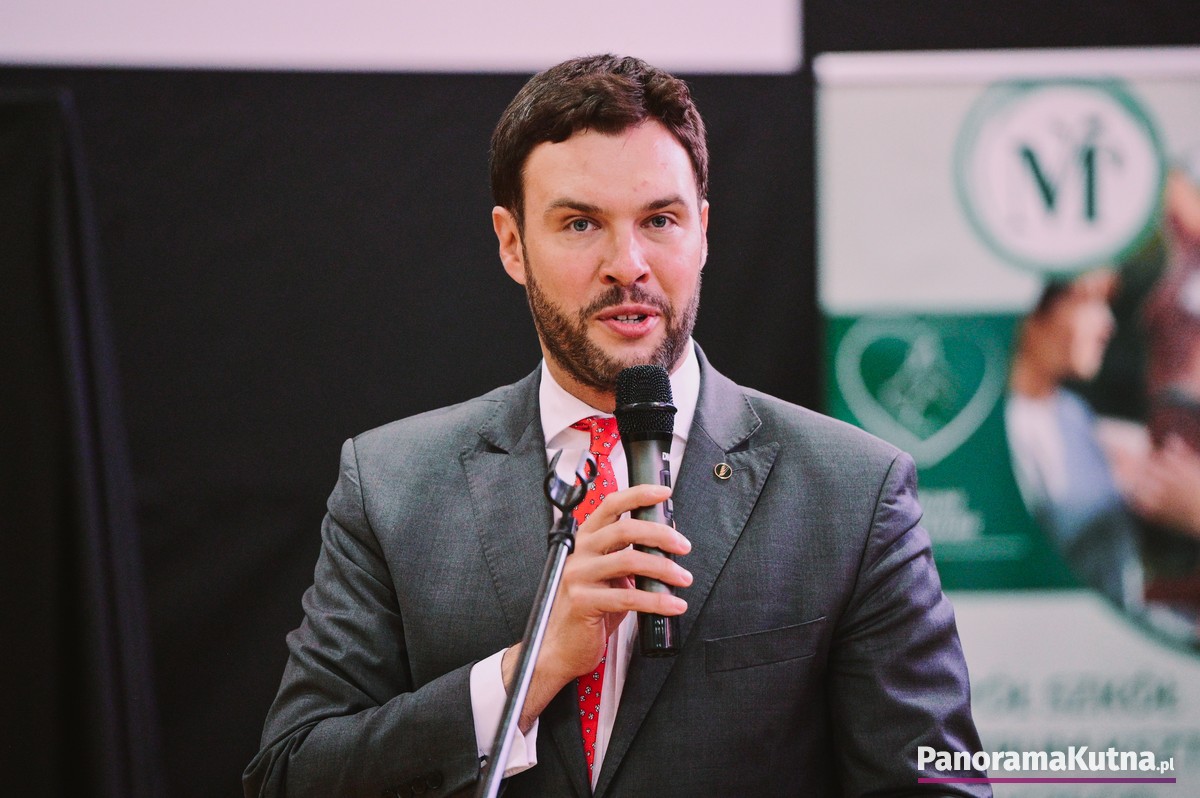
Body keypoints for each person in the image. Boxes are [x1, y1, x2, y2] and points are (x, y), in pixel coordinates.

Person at [244, 54, 987, 798]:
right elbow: (291, 775)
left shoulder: (853, 492)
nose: (627, 264)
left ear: (702, 231)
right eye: (580, 224)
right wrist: (527, 672)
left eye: (659, 220)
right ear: (512, 243)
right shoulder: (391, 485)